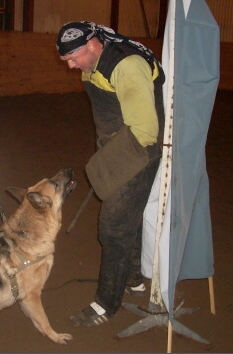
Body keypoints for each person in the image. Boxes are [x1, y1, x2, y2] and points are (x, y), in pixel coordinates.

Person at [56, 21, 165, 327]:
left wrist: (109, 164)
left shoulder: (126, 66)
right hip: (115, 145)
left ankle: (106, 303)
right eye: (66, 61)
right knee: (128, 217)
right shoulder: (92, 60)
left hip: (137, 152)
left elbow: (145, 130)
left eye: (73, 59)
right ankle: (132, 278)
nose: (70, 66)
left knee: (113, 227)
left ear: (92, 46)